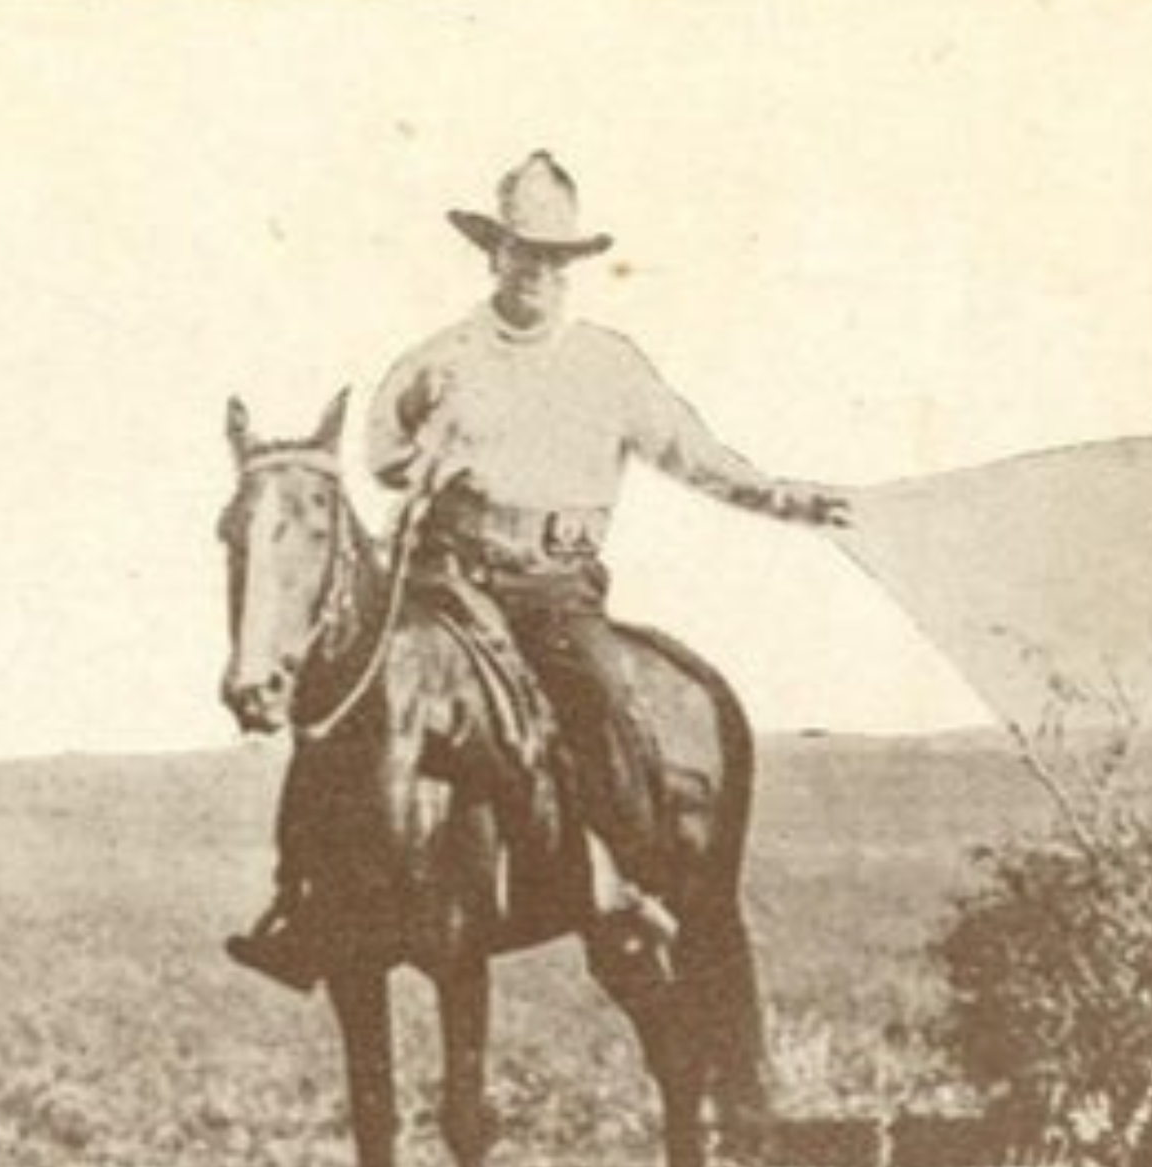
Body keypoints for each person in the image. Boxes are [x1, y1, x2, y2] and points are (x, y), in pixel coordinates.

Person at [228, 150, 849, 991]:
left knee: (602, 704)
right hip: (449, 583)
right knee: (345, 708)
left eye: (553, 259)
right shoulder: (437, 360)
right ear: (494, 256)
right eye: (521, 254)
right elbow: (376, 454)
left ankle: (625, 891)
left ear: (572, 268)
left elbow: (694, 456)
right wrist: (425, 459)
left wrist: (785, 499)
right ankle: (306, 901)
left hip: (556, 587)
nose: (536, 273)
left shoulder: (610, 365)